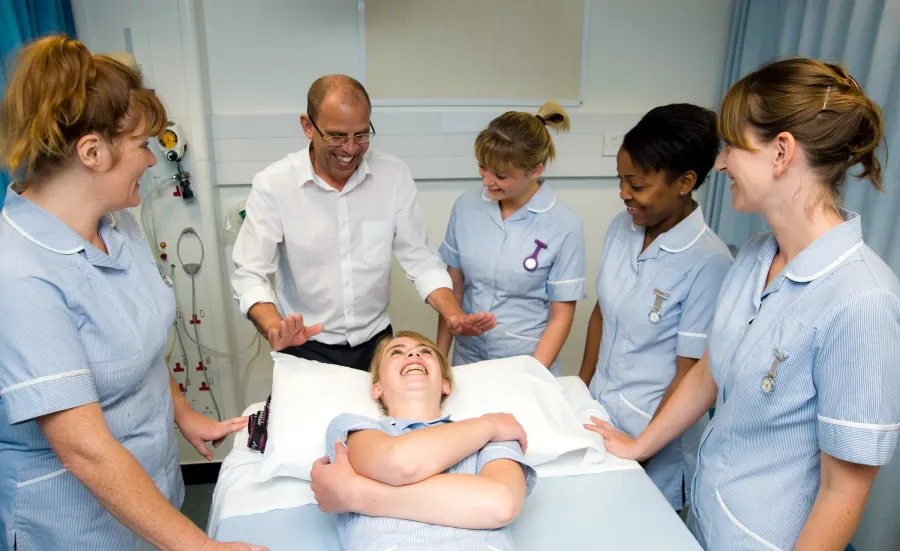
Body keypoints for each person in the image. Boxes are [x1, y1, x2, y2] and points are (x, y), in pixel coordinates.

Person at [587, 58, 900, 551]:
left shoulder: (862, 299)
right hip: (705, 521)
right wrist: (637, 446)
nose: (720, 162)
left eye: (732, 145)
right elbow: (712, 369)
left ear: (781, 152)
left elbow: (845, 489)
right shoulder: (755, 256)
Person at [0, 37, 264, 550]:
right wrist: (200, 548)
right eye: (143, 144)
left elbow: (136, 344)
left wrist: (183, 412)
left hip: (151, 495)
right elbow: (84, 449)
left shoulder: (117, 224)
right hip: (74, 524)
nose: (150, 160)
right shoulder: (19, 273)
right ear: (92, 152)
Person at [231, 75, 495, 372]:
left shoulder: (393, 175)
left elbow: (419, 258)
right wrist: (274, 328)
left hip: (377, 344)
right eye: (336, 136)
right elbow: (250, 273)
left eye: (361, 135)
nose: (350, 149)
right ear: (308, 126)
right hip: (303, 345)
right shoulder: (275, 184)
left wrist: (452, 313)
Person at [578, 104, 733, 513]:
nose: (624, 193)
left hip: (654, 439)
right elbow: (603, 311)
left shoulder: (709, 263)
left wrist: (639, 449)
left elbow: (691, 375)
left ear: (684, 182)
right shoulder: (621, 226)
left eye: (638, 184)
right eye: (621, 180)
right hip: (599, 414)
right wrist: (579, 389)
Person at [309, 331, 536, 551]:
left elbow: (500, 503)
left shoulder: (496, 439)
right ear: (377, 388)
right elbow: (400, 462)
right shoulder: (352, 427)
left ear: (446, 384)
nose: (413, 355)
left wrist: (357, 494)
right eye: (397, 352)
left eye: (425, 351)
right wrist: (488, 425)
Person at [436, 102, 586, 374]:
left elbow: (561, 317)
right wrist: (440, 361)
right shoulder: (466, 207)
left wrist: (533, 377)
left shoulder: (564, 225)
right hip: (467, 359)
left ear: (535, 171)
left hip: (526, 361)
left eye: (500, 175)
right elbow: (453, 288)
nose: (487, 181)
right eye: (483, 168)